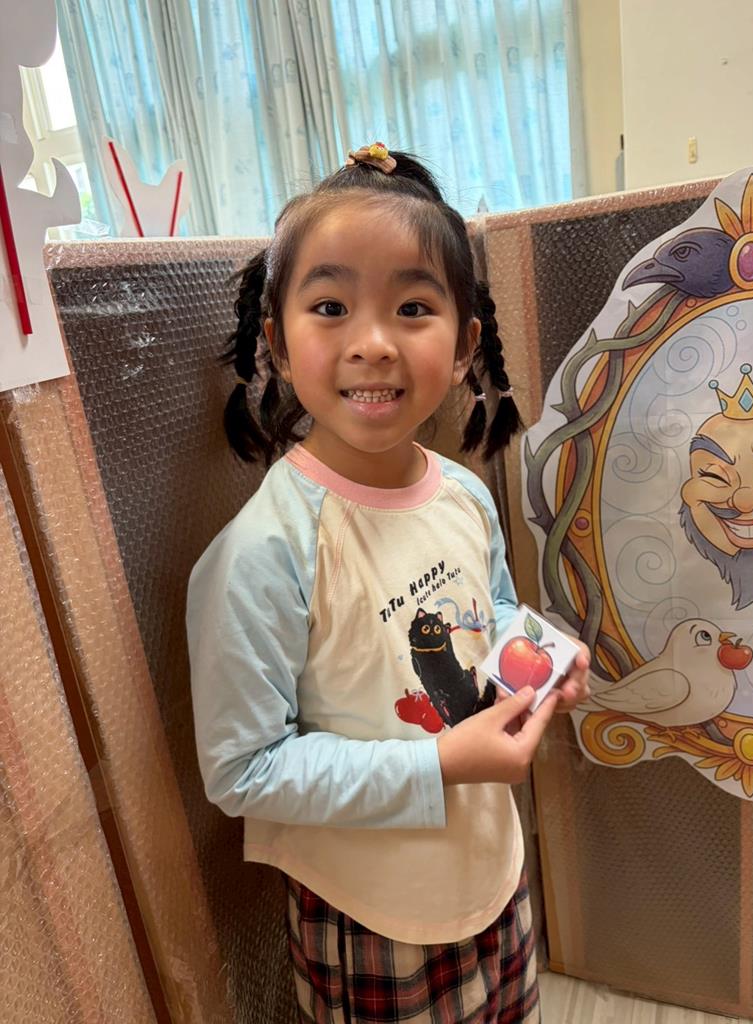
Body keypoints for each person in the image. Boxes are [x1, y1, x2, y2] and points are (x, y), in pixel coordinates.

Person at [187, 143, 590, 1024]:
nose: (371, 343)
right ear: (277, 343)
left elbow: (490, 613)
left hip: (491, 869)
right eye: (330, 307)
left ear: (465, 344)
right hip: (369, 914)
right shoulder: (264, 551)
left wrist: (539, 650)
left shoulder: (463, 495)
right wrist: (440, 763)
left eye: (412, 307)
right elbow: (243, 771)